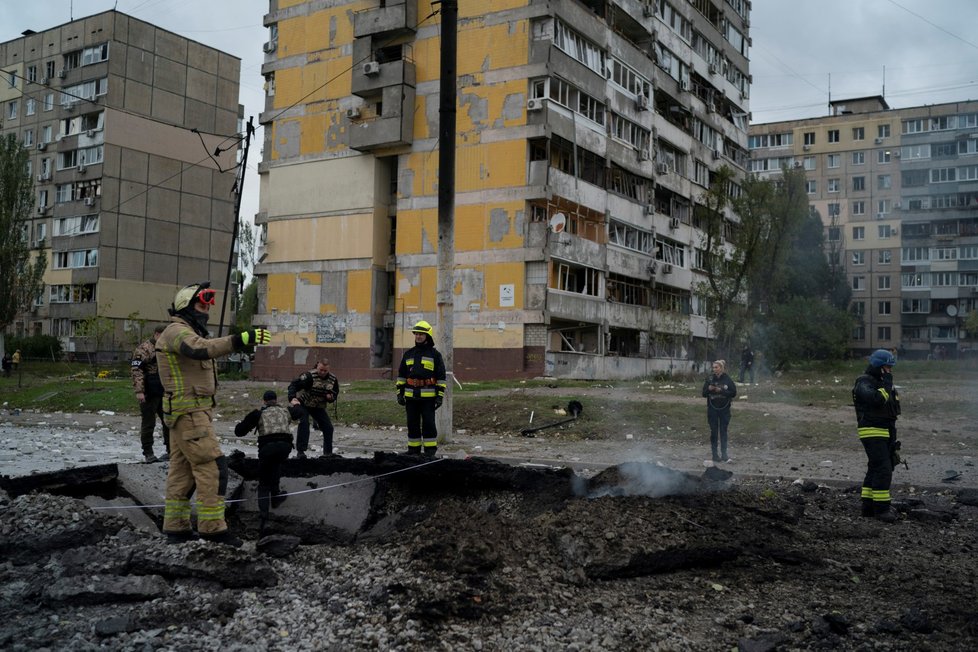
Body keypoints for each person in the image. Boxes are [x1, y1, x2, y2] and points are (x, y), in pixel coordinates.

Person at [155, 281, 270, 546]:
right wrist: (239, 340)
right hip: (190, 412)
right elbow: (199, 349)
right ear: (186, 305)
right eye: (201, 304)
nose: (205, 310)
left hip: (188, 412)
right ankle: (213, 528)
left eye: (208, 305)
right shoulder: (176, 331)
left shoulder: (182, 330)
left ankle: (176, 528)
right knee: (213, 467)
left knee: (181, 473)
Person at [234, 390, 295, 534]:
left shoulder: (258, 413)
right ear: (276, 400)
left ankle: (263, 519)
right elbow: (299, 412)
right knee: (276, 465)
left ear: (264, 401)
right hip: (285, 447)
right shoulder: (286, 411)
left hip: (267, 449)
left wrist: (247, 422)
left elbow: (239, 432)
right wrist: (296, 404)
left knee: (264, 483)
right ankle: (276, 497)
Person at [852, 348, 901, 522]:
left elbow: (891, 410)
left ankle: (868, 507)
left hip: (885, 432)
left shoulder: (882, 384)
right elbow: (877, 400)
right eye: (887, 367)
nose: (890, 371)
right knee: (883, 469)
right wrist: (886, 386)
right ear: (879, 366)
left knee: (875, 468)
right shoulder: (864, 382)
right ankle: (881, 509)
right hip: (872, 431)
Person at [395, 320, 447, 456]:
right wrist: (399, 393)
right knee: (412, 424)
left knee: (429, 424)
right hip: (411, 397)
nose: (418, 336)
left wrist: (439, 396)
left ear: (427, 336)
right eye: (416, 334)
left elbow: (441, 378)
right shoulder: (408, 354)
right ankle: (413, 451)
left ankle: (430, 452)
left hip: (428, 398)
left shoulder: (435, 355)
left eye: (421, 334)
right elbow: (401, 376)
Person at [131, 325, 170, 463]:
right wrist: (140, 391)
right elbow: (137, 370)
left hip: (164, 390)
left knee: (168, 422)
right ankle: (148, 453)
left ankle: (170, 451)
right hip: (149, 391)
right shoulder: (144, 349)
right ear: (157, 334)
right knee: (149, 423)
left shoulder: (166, 348)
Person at [287, 359, 340, 459]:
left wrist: (331, 397)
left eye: (325, 371)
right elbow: (293, 385)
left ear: (328, 370)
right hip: (303, 404)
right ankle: (301, 452)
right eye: (321, 370)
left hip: (318, 407)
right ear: (317, 367)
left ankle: (327, 453)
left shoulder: (333, 379)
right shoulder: (308, 376)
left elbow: (335, 392)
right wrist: (292, 398)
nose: (323, 373)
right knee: (304, 423)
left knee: (328, 427)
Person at [702, 359, 737, 463]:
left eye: (716, 367)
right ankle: (714, 455)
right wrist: (709, 389)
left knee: (723, 432)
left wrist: (721, 390)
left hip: (724, 410)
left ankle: (724, 454)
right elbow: (703, 394)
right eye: (713, 367)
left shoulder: (727, 379)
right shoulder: (709, 379)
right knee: (714, 432)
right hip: (712, 409)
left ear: (721, 368)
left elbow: (733, 393)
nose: (714, 369)